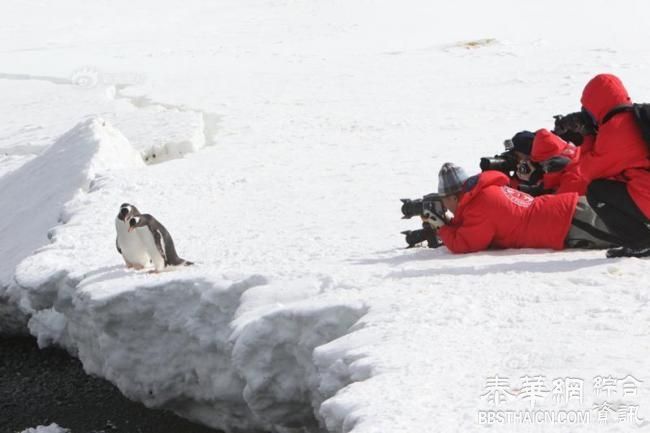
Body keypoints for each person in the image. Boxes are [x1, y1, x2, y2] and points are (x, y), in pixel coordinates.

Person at [422, 163, 619, 254]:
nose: (445, 205)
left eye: (444, 200)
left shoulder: (479, 207)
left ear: (454, 197)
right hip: (568, 211)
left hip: (568, 224)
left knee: (636, 234)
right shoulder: (486, 192)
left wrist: (440, 226)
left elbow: (464, 244)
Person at [556, 74, 650, 257]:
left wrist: (587, 136)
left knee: (597, 191)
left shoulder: (615, 130)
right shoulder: (636, 117)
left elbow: (588, 173)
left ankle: (641, 242)